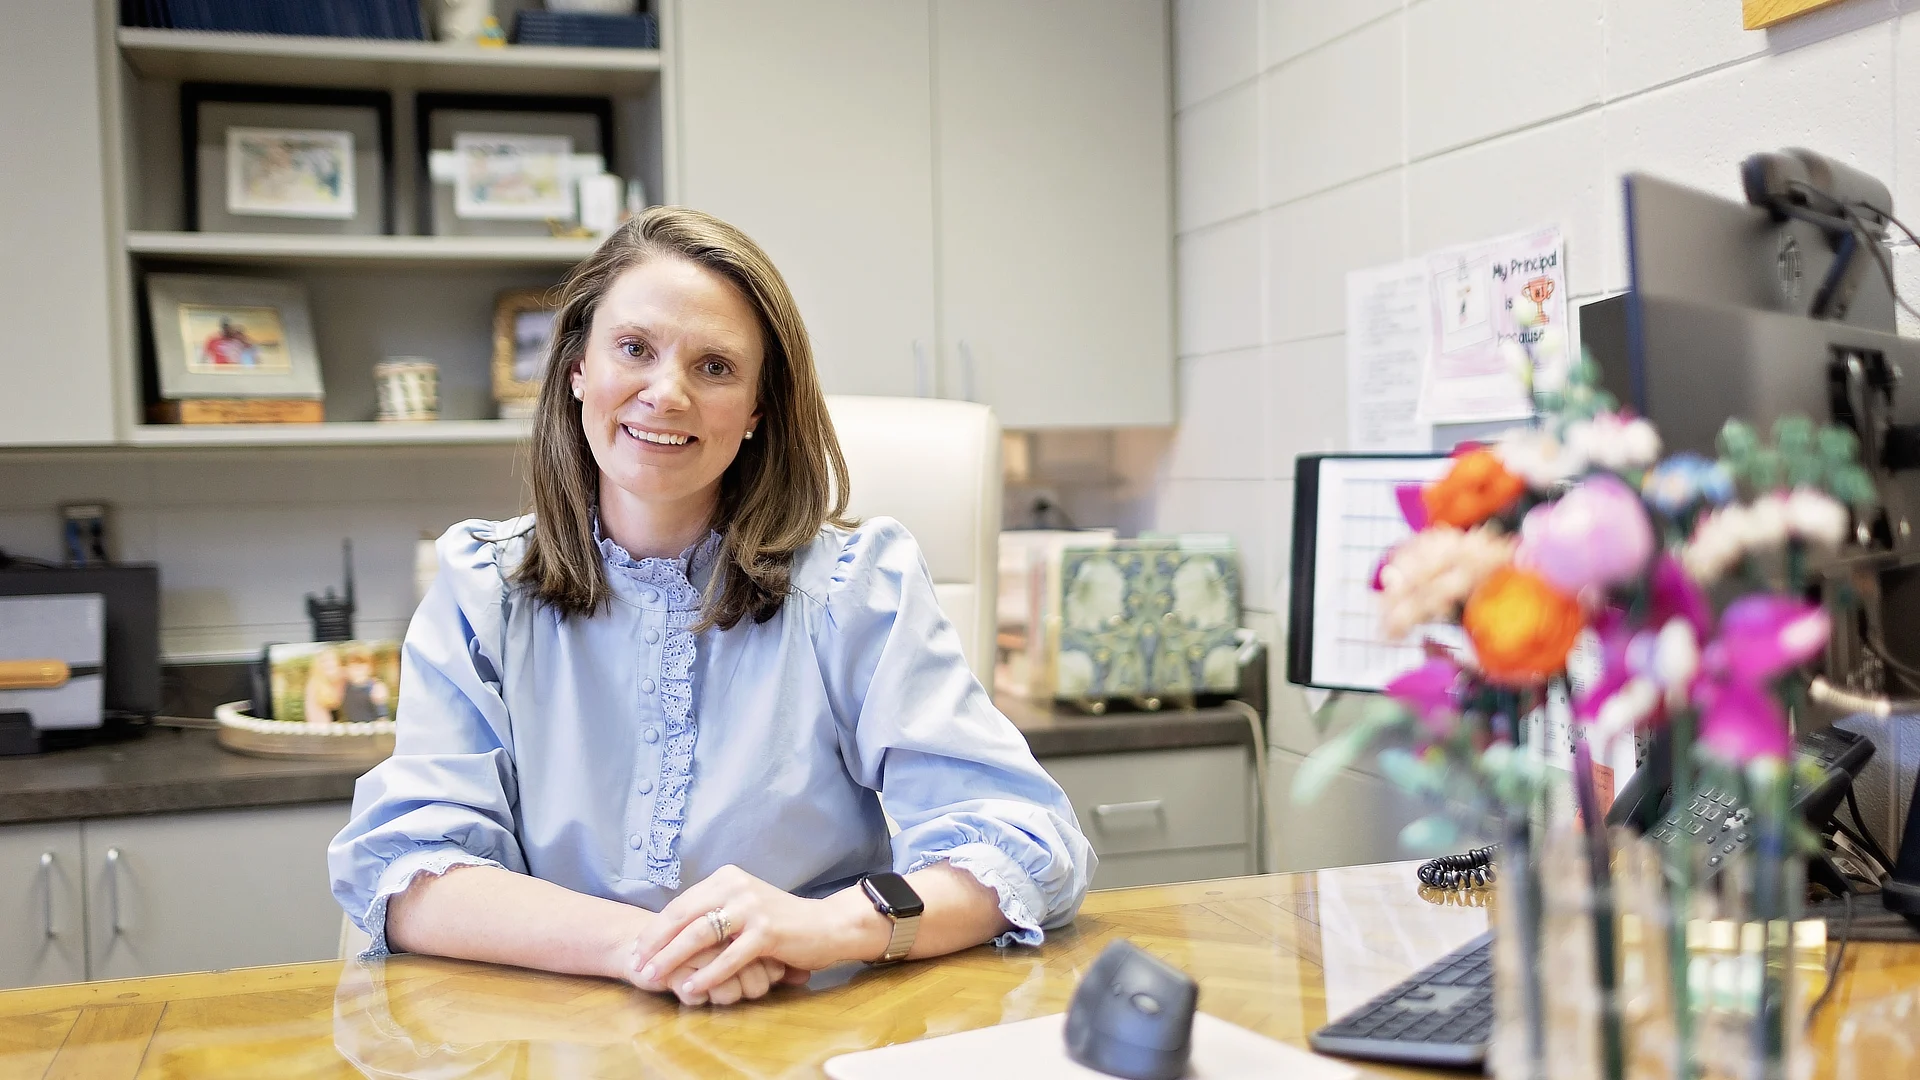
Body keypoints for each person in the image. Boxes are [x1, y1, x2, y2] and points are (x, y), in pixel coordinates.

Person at [328, 206, 1095, 1007]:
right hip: (556, 1036)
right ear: (577, 369)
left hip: (806, 1024)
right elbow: (412, 872)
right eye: (634, 349)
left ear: (759, 408)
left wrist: (827, 928)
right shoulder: (481, 587)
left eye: (716, 367)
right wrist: (659, 950)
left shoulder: (857, 585)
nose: (668, 393)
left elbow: (1024, 840)